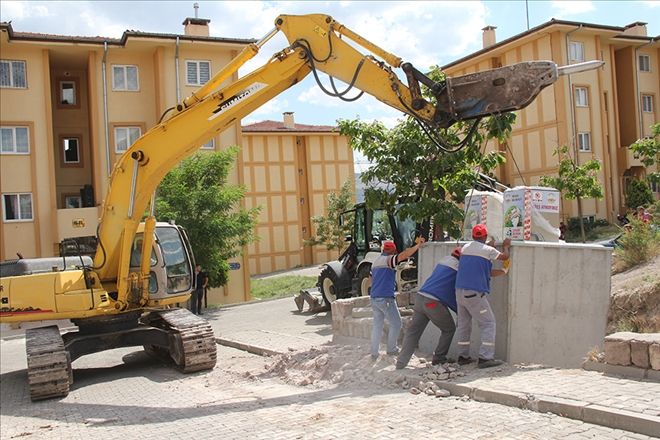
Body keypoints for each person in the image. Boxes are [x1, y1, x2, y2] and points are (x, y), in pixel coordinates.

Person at [396, 246, 461, 370]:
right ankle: (439, 358)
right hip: (433, 302)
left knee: (413, 332)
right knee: (449, 329)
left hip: (420, 298)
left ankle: (400, 363)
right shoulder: (459, 269)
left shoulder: (444, 261)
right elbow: (450, 293)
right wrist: (459, 310)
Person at [455, 224, 510, 369]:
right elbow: (504, 256)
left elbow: (480, 265)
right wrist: (506, 246)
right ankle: (485, 358)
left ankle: (462, 356)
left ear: (473, 236)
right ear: (485, 237)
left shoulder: (465, 248)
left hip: (460, 292)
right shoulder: (488, 250)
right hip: (474, 294)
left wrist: (489, 247)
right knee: (488, 323)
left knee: (464, 325)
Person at [370, 237, 425, 359]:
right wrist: (417, 247)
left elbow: (371, 280)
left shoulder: (375, 262)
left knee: (377, 325)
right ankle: (392, 349)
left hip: (374, 298)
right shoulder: (388, 260)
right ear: (393, 251)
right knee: (396, 323)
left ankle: (374, 352)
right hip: (386, 298)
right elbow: (403, 256)